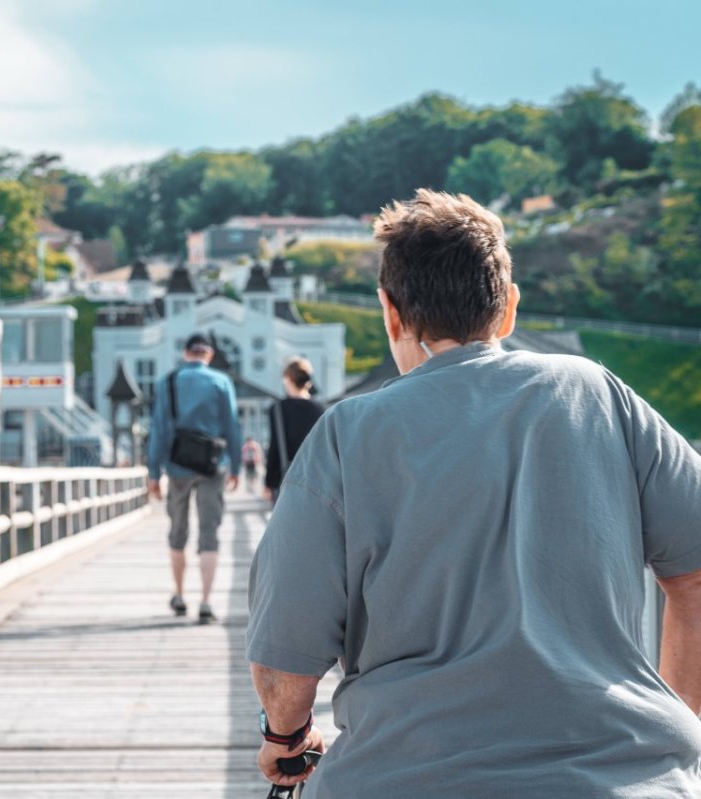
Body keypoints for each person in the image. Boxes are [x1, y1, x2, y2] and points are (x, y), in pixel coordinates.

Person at [247, 189, 701, 796]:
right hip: (621, 779)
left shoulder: (348, 434)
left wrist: (285, 738)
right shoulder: (599, 395)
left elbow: (285, 658)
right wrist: (672, 724)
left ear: (391, 313)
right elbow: (696, 574)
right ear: (508, 309)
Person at [147, 333, 241, 624]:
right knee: (209, 533)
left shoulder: (168, 382)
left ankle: (178, 595)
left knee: (178, 530)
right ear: (209, 355)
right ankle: (206, 601)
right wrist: (236, 465)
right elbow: (232, 427)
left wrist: (153, 472)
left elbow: (159, 430)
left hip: (177, 466)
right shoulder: (221, 382)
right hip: (213, 467)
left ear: (186, 353)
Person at [263, 357, 325, 504]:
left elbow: (275, 447)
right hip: (316, 478)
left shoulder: (278, 409)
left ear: (287, 379)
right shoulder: (320, 408)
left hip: (287, 477)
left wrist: (269, 482)